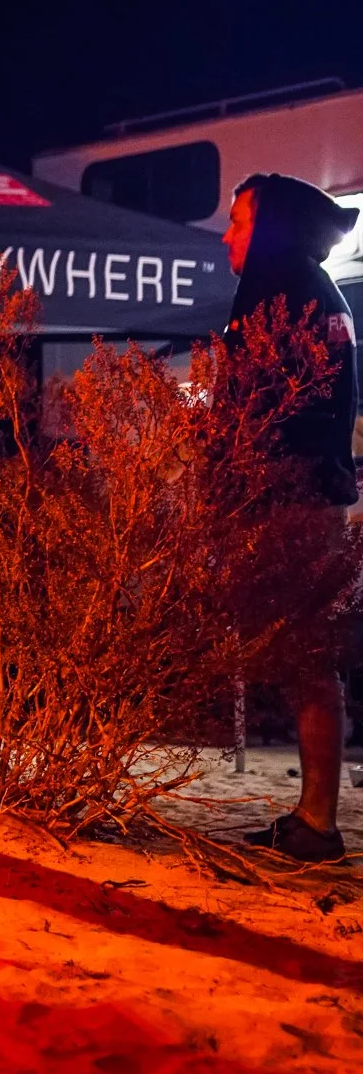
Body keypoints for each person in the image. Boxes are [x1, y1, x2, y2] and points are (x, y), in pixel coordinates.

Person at [225, 173, 360, 863]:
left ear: (269, 228)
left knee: (309, 661)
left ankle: (317, 824)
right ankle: (313, 817)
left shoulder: (287, 297)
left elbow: (269, 414)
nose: (227, 236)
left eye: (239, 222)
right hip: (311, 497)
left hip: (292, 501)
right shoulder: (316, 292)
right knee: (310, 661)